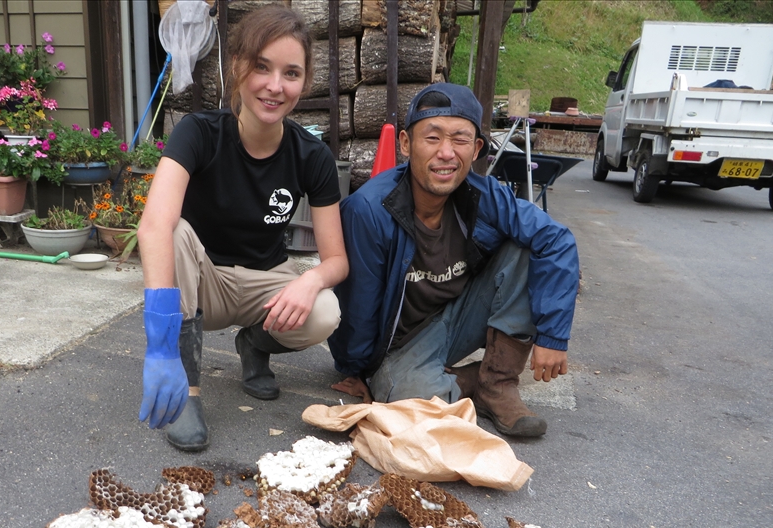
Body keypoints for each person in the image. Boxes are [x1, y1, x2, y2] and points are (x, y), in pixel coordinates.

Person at [136, 4, 349, 452]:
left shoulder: (313, 156)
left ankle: (255, 345)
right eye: (261, 67)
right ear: (237, 68)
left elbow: (336, 260)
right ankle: (187, 391)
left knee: (325, 310)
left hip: (263, 286)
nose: (275, 86)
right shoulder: (197, 132)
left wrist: (309, 281)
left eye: (291, 73)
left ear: (304, 82)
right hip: (201, 284)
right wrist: (158, 344)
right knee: (173, 231)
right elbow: (154, 224)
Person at [329, 83, 579, 437]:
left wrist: (553, 336)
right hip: (401, 342)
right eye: (432, 138)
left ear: (476, 148)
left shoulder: (482, 194)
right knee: (402, 401)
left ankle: (497, 385)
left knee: (527, 247)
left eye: (460, 139)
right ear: (405, 144)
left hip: (459, 316)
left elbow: (556, 240)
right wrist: (355, 369)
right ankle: (471, 382)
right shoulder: (370, 211)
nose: (446, 153)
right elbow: (358, 304)